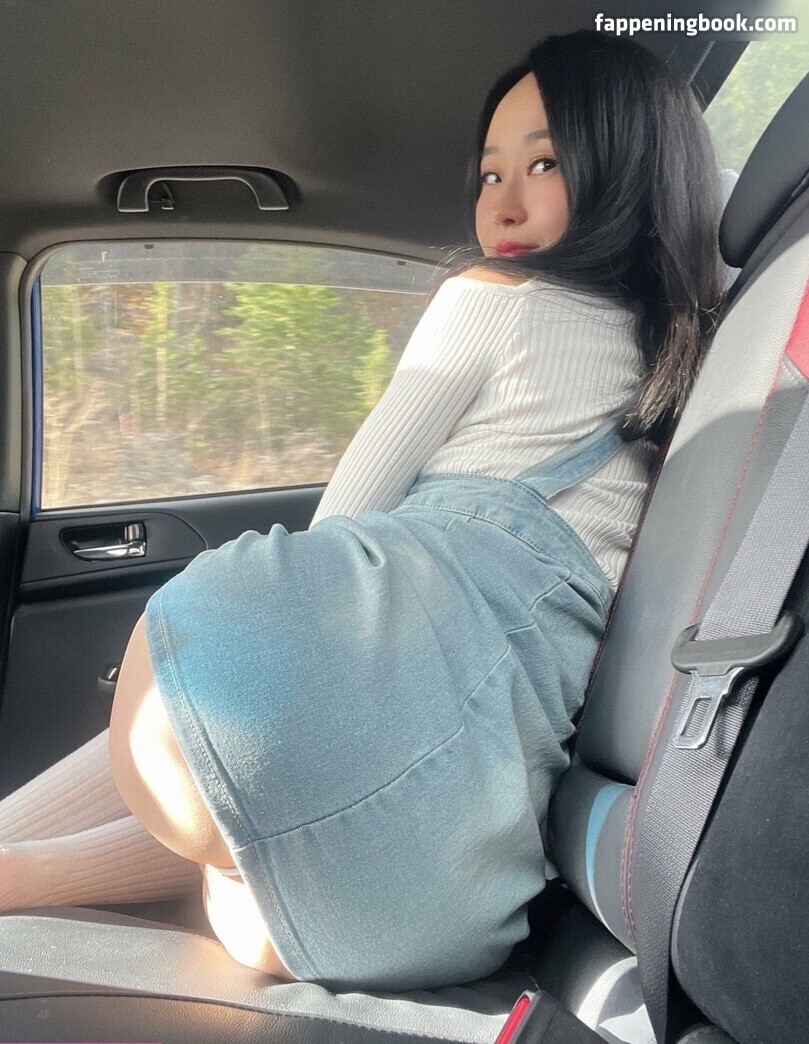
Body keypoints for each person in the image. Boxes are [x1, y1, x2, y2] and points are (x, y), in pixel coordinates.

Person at [0, 30, 723, 991]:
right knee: (255, 861)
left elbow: (349, 513)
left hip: (293, 704)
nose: (501, 204)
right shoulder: (683, 378)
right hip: (421, 882)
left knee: (207, 706)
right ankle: (32, 867)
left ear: (630, 168)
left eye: (543, 164)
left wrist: (292, 657)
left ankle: (28, 858)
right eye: (489, 173)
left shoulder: (492, 295)